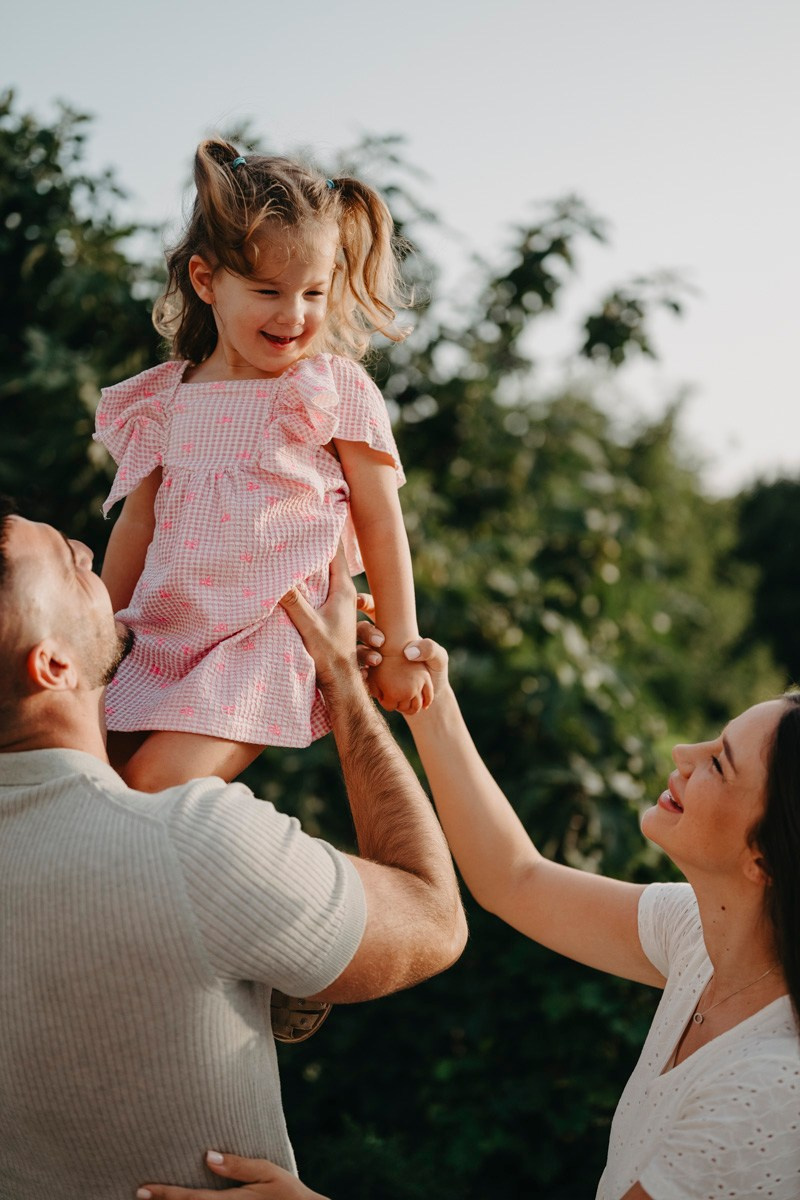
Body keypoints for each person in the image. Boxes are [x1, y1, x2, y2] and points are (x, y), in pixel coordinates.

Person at [141, 604, 800, 1200]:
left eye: (719, 764)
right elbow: (516, 879)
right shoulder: (700, 936)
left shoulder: (770, 1090)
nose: (685, 754)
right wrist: (426, 698)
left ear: (765, 857)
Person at [0, 499, 467, 1200]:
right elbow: (433, 921)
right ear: (53, 664)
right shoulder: (185, 843)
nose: (89, 554)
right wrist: (342, 684)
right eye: (70, 566)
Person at [94, 137, 430, 796]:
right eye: (268, 290)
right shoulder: (166, 397)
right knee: (84, 778)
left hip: (267, 639)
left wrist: (400, 643)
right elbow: (137, 525)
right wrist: (97, 640)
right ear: (205, 280)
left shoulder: (332, 386)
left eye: (313, 290)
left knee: (151, 786)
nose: (295, 314)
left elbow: (381, 518)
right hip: (161, 636)